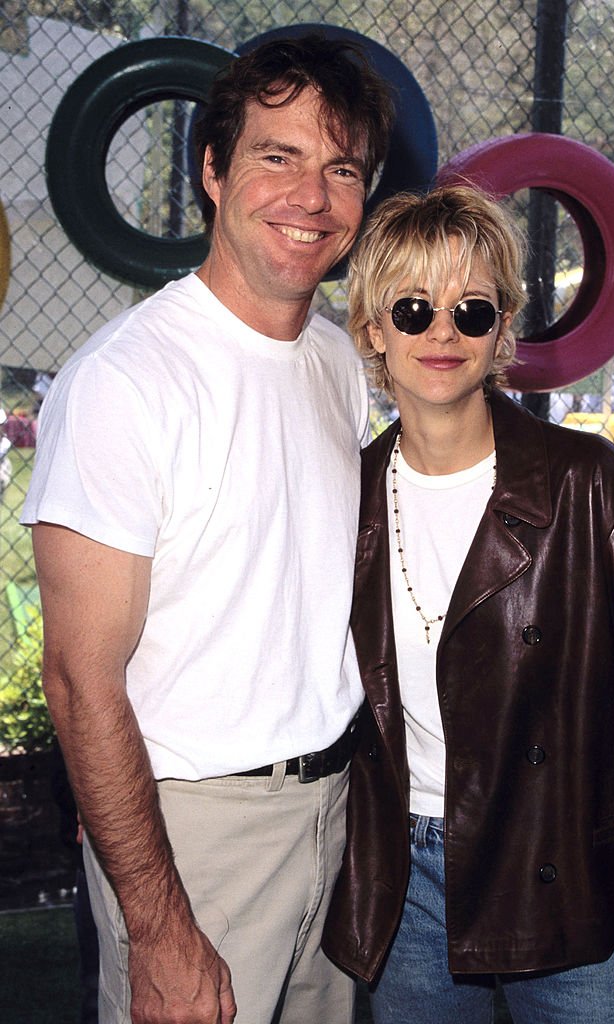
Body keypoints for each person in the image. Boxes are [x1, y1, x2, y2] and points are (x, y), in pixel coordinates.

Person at [22, 34, 393, 1024]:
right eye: (280, 156)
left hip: (333, 809)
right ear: (213, 170)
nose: (311, 195)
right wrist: (158, 922)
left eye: (341, 167)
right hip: (194, 831)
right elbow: (77, 678)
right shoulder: (127, 381)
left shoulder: (335, 362)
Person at [322, 185, 614, 1023]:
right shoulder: (342, 495)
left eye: (470, 311)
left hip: (565, 873)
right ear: (371, 328)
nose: (440, 333)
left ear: (502, 329)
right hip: (406, 881)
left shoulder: (589, 487)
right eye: (413, 307)